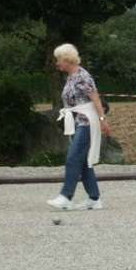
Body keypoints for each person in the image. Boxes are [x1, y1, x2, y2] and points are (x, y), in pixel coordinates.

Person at [47, 43, 111, 211]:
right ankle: (94, 198)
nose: (57, 63)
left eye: (59, 59)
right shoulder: (71, 76)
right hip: (78, 122)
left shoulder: (82, 76)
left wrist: (103, 119)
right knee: (83, 162)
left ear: (67, 59)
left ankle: (66, 196)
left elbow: (95, 99)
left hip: (87, 123)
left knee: (73, 158)